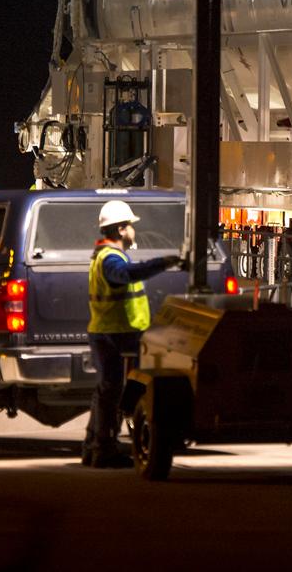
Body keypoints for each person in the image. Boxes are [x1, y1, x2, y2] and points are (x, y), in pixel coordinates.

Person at [82, 200, 182, 468]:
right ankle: (104, 448)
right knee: (117, 390)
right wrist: (162, 263)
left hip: (110, 331)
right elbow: (126, 275)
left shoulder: (103, 255)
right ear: (122, 229)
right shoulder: (111, 259)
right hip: (116, 332)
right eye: (131, 226)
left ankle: (94, 446)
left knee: (106, 390)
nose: (134, 231)